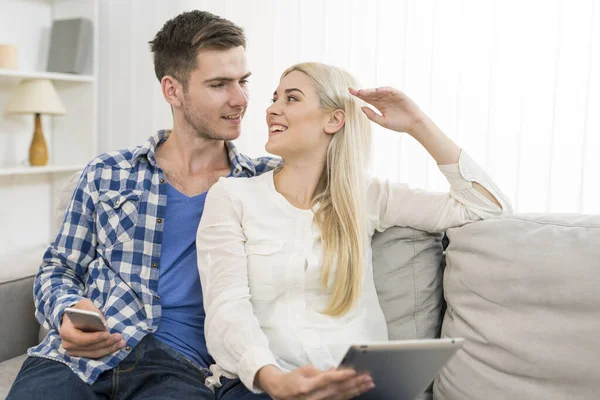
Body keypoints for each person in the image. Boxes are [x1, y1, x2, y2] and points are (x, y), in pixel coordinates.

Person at [7, 10, 291, 399]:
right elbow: (59, 268)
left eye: (243, 81)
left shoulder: (266, 181)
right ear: (172, 90)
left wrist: (408, 124)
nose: (240, 98)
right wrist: (66, 314)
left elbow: (354, 190)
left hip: (180, 367)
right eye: (219, 84)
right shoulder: (107, 172)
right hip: (72, 362)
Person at [197, 62, 513, 399]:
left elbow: (486, 208)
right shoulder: (232, 197)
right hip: (260, 386)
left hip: (356, 387)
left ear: (334, 120)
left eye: (291, 98)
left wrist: (418, 125)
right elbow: (226, 307)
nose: (272, 109)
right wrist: (274, 380)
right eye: (275, 98)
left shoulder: (367, 197)